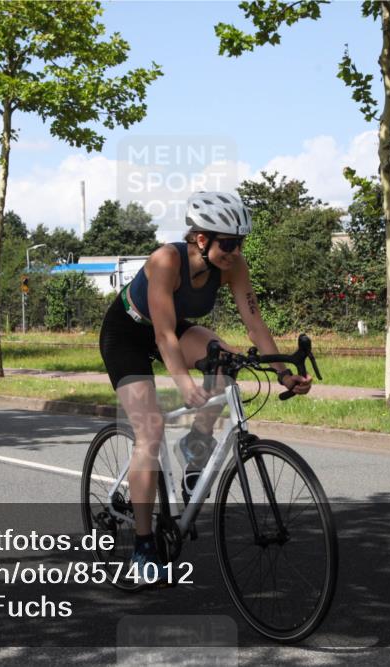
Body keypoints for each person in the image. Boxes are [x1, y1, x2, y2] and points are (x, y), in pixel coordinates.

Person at [98, 191, 312, 580]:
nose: (235, 252)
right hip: (127, 334)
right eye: (228, 244)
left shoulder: (233, 266)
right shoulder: (166, 260)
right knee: (150, 430)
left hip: (171, 328)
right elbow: (164, 336)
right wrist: (182, 383)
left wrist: (283, 373)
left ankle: (196, 443)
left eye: (239, 243)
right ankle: (143, 548)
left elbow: (255, 325)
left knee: (227, 362)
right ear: (201, 239)